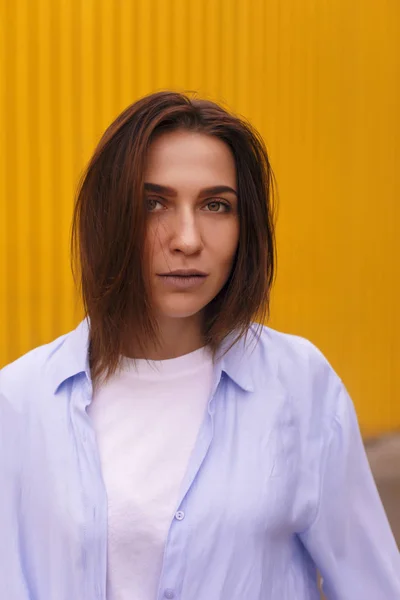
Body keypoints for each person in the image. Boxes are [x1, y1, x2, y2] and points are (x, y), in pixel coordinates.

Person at [0, 91, 399, 600]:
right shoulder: (21, 400)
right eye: (154, 203)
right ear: (108, 217)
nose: (187, 239)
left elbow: (374, 585)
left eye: (216, 205)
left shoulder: (301, 385)